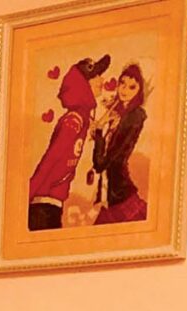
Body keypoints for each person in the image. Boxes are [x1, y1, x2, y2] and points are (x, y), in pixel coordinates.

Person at [27, 53, 111, 230]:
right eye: (96, 76)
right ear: (83, 85)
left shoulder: (82, 118)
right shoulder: (73, 121)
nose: (101, 79)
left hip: (53, 204)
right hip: (43, 205)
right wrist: (27, 195)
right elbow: (50, 159)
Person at [95, 63, 149, 224]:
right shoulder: (117, 114)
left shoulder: (135, 116)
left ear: (139, 91)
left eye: (132, 87)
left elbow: (101, 163)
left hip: (120, 193)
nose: (125, 90)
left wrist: (99, 130)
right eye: (122, 84)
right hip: (111, 193)